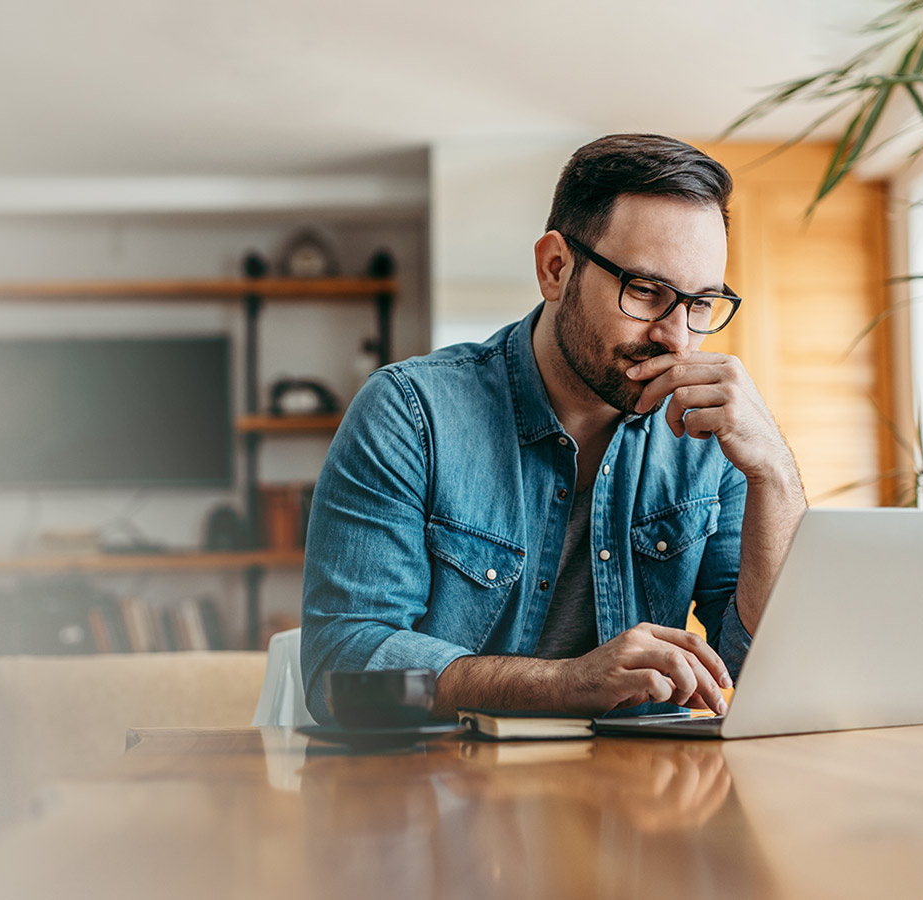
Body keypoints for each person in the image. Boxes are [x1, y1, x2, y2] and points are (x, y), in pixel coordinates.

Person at [300, 134, 806, 724]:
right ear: (555, 267)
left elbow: (768, 663)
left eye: (700, 304)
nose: (677, 336)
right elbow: (342, 671)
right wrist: (565, 684)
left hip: (641, 801)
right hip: (447, 797)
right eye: (645, 291)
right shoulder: (410, 414)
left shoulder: (711, 438)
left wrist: (774, 471)